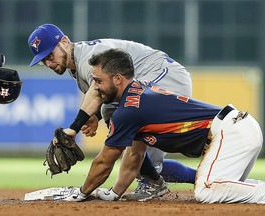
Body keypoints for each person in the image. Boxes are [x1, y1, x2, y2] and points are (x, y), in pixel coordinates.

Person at [61, 48, 264, 204]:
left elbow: (105, 161)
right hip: (238, 128)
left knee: (206, 190)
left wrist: (81, 193)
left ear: (117, 79)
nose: (94, 87)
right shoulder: (140, 88)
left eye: (98, 80)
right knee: (228, 189)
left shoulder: (128, 111)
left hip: (229, 133)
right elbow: (134, 156)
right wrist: (115, 193)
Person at [28, 24, 196, 201]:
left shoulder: (86, 59)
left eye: (50, 55)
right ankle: (199, 177)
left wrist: (74, 129)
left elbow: (95, 92)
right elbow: (105, 95)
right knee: (143, 166)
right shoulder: (76, 67)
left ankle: (151, 182)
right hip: (148, 80)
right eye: (43, 60)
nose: (48, 63)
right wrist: (96, 116)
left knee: (129, 122)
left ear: (64, 42)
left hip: (164, 75)